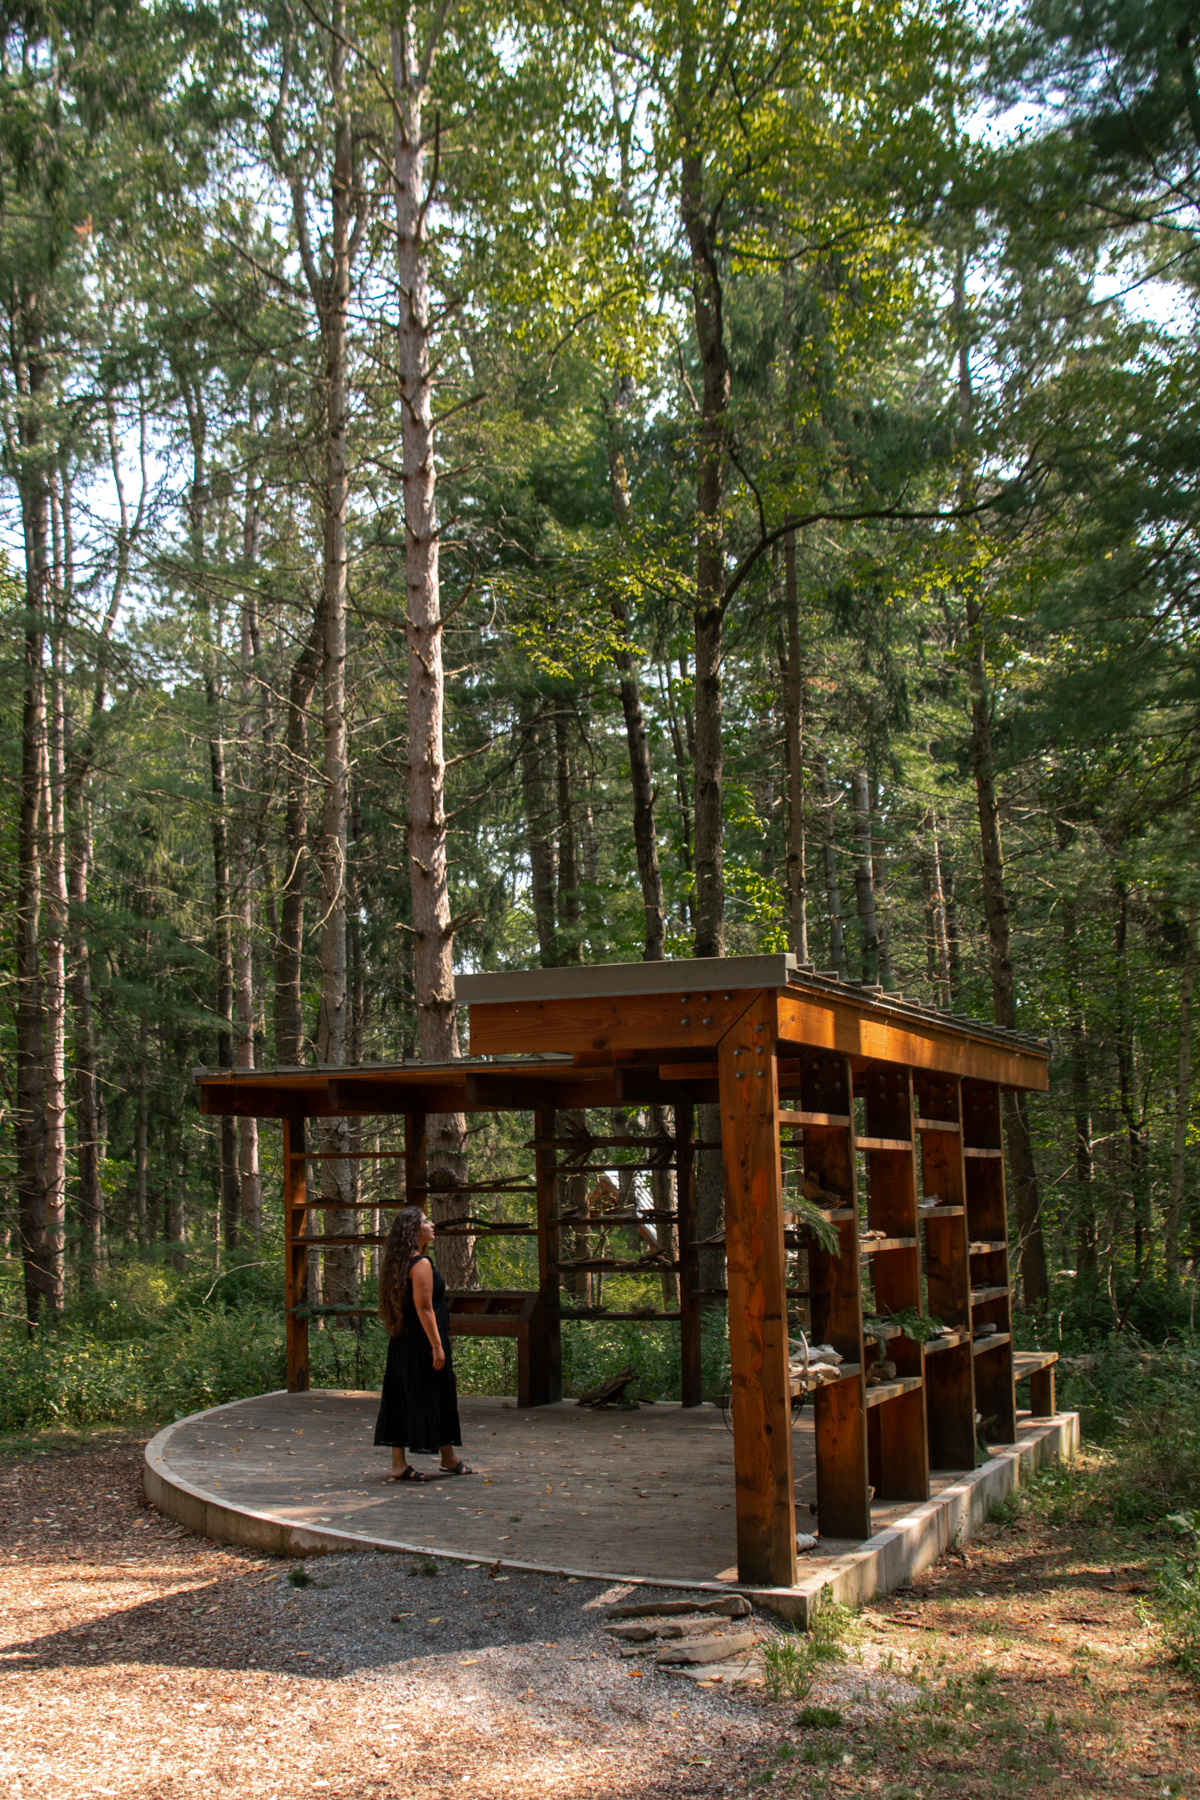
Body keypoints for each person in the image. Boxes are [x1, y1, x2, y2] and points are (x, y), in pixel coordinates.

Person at [374, 1205, 472, 1481]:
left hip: (403, 1342)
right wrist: (437, 1346)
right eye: (427, 1222)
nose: (432, 1225)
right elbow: (425, 1308)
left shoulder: (399, 1262)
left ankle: (401, 1463)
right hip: (423, 1343)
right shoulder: (420, 1264)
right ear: (413, 1230)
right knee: (435, 1394)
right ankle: (449, 1458)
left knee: (402, 1396)